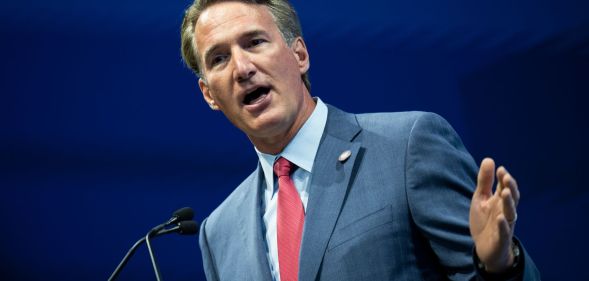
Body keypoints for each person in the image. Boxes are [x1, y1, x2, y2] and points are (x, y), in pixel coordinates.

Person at [180, 0, 541, 280]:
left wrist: (500, 266)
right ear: (208, 94)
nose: (241, 68)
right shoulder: (219, 233)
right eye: (219, 58)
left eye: (255, 42)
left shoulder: (406, 147)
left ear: (300, 55)